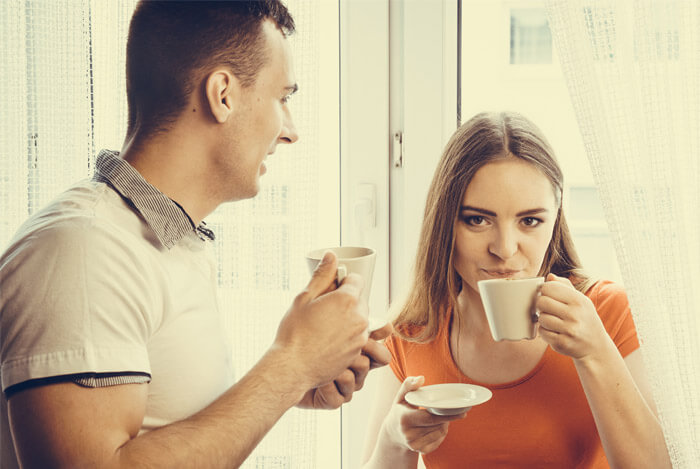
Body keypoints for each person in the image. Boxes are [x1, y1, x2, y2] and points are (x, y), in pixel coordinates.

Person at [0, 1, 391, 468]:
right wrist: (290, 365)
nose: (291, 131)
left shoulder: (166, 241)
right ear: (222, 94)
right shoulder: (83, 252)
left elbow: (161, 432)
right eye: (282, 98)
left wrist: (299, 379)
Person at [361, 111, 671, 468]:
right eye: (477, 220)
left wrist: (595, 352)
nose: (505, 249)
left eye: (530, 221)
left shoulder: (609, 312)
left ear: (555, 221)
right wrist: (394, 440)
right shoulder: (411, 333)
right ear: (445, 223)